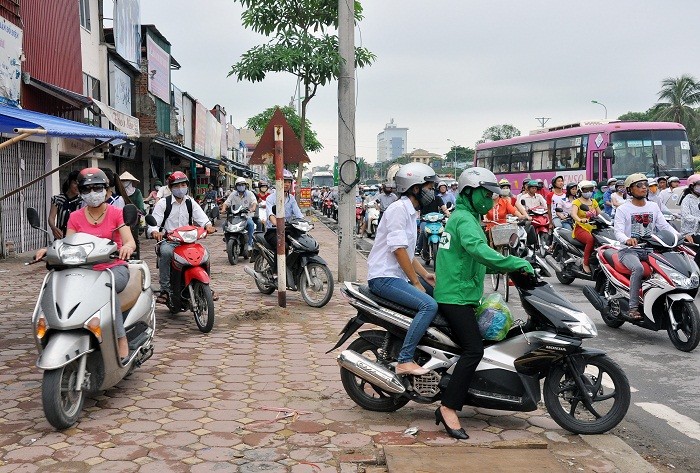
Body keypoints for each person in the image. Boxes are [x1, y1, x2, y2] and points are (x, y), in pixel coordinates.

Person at [433, 167, 533, 439]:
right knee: (474, 350)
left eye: (493, 196)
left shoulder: (468, 217)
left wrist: (504, 269)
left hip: (461, 292)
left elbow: (469, 260)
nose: (491, 200)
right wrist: (513, 262)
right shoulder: (465, 219)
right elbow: (479, 251)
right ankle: (448, 407)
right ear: (469, 191)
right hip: (455, 296)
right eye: (487, 194)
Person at [36, 168, 136, 360]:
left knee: (106, 287)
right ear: (80, 192)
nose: (92, 194)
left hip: (113, 268)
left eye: (97, 188)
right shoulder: (75, 217)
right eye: (87, 189)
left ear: (106, 190)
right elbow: (67, 244)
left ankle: (120, 338)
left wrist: (127, 248)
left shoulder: (116, 213)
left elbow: (129, 240)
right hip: (83, 270)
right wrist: (48, 250)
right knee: (56, 284)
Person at [367, 162, 439, 377]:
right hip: (384, 278)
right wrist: (416, 283)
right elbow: (398, 250)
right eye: (429, 188)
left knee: (441, 293)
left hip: (396, 276)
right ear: (415, 188)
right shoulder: (398, 210)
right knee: (428, 305)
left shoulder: (411, 212)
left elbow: (407, 252)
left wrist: (424, 274)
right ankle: (405, 359)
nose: (432, 192)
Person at [614, 173, 677, 320]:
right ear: (630, 190)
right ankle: (633, 307)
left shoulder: (653, 206)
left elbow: (664, 226)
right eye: (639, 185)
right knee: (639, 268)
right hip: (629, 251)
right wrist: (627, 239)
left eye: (645, 185)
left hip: (650, 249)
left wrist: (678, 236)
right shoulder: (623, 209)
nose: (644, 188)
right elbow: (618, 231)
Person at [147, 171, 216, 305]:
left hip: (189, 241)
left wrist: (208, 226)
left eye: (183, 185)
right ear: (171, 187)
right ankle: (165, 290)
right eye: (177, 186)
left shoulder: (191, 202)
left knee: (205, 253)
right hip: (170, 241)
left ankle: (207, 286)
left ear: (187, 186)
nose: (180, 188)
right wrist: (155, 232)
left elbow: (202, 218)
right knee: (166, 253)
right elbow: (154, 223)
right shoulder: (163, 203)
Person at [571, 180, 601, 274]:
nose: (588, 192)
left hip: (594, 227)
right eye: (585, 190)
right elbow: (573, 214)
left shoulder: (594, 201)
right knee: (591, 240)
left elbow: (600, 214)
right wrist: (580, 219)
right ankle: (586, 263)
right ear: (580, 190)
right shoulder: (577, 202)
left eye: (590, 189)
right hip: (581, 228)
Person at [220, 177, 257, 253]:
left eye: (242, 184)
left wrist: (252, 208)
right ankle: (227, 243)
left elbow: (254, 203)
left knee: (250, 224)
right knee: (224, 225)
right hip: (234, 216)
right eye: (239, 185)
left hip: (246, 216)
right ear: (236, 186)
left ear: (245, 185)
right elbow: (226, 203)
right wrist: (223, 209)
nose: (241, 186)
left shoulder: (250, 194)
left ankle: (250, 244)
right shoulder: (233, 194)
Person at [415, 181, 451, 257]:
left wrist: (448, 214)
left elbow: (444, 208)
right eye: (429, 189)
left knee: (445, 231)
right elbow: (417, 209)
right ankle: (419, 248)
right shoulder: (421, 199)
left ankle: (447, 249)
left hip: (436, 221)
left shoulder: (437, 198)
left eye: (432, 189)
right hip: (425, 220)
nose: (430, 191)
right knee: (422, 232)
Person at [48, 170, 82, 239]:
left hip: (76, 239)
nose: (77, 187)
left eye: (80, 184)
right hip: (60, 239)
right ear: (69, 183)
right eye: (75, 183)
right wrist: (53, 228)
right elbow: (51, 217)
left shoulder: (83, 201)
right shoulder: (57, 199)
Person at [679, 174, 700, 269]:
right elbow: (686, 215)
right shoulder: (687, 200)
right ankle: (696, 267)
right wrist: (698, 220)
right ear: (692, 186)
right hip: (691, 232)